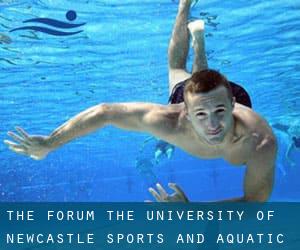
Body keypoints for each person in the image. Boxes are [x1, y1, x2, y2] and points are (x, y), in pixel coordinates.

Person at [4, 0, 277, 202]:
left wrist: (192, 211)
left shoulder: (260, 140)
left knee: (187, 75)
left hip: (224, 98)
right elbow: (105, 112)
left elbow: (255, 203)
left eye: (220, 111)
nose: (214, 124)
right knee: (177, 71)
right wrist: (50, 142)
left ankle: (199, 43)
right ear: (184, 110)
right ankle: (185, 6)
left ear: (232, 105)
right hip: (202, 96)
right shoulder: (170, 120)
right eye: (201, 115)